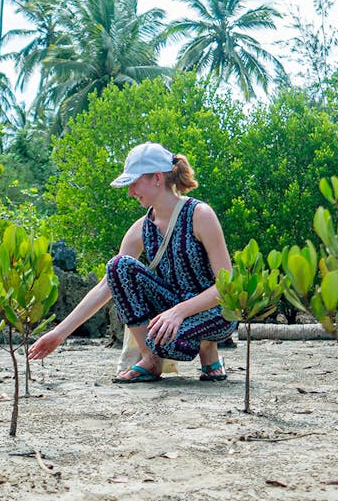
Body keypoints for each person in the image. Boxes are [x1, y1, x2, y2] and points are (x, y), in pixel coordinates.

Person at [28, 142, 237, 383]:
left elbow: (226, 286)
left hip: (214, 313)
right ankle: (150, 359)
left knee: (171, 342)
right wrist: (58, 333)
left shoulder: (201, 215)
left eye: (134, 183)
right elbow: (106, 286)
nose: (130, 192)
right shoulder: (140, 229)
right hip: (172, 308)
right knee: (119, 266)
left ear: (157, 178)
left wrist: (179, 312)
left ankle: (208, 350)